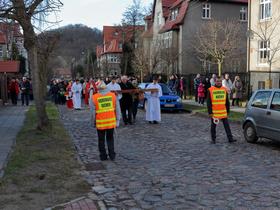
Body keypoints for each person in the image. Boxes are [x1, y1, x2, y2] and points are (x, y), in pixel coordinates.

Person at [92, 81, 121, 161]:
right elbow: (117, 109)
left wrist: (93, 122)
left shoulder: (94, 97)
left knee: (101, 140)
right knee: (110, 139)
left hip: (100, 123)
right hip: (111, 122)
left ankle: (103, 156)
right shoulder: (112, 96)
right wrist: (118, 120)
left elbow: (93, 112)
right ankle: (112, 155)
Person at [207, 77, 236, 144]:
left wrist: (228, 110)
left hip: (223, 112)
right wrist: (210, 112)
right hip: (215, 113)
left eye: (220, 81)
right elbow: (208, 103)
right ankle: (213, 139)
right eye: (217, 81)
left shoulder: (224, 89)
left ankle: (230, 139)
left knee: (227, 126)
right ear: (215, 81)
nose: (219, 82)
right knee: (213, 127)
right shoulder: (210, 90)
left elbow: (227, 101)